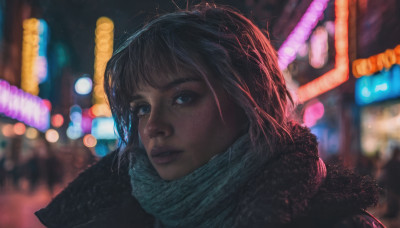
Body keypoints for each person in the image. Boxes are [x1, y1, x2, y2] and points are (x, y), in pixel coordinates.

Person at [35, 4, 384, 228]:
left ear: (252, 101)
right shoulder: (103, 213)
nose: (154, 126)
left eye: (183, 97)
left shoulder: (341, 221)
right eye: (141, 107)